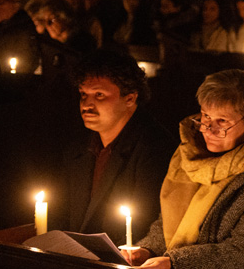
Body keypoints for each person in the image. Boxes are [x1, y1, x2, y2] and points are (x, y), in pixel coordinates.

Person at [125, 70, 244, 269]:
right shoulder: (189, 156)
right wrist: (146, 251)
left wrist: (175, 264)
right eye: (206, 117)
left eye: (222, 121)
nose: (209, 130)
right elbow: (168, 224)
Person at [53, 50, 173, 245]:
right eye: (83, 94)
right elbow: (62, 212)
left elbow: (146, 223)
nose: (87, 105)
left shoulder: (154, 148)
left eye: (99, 95)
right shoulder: (79, 146)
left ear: (130, 99)